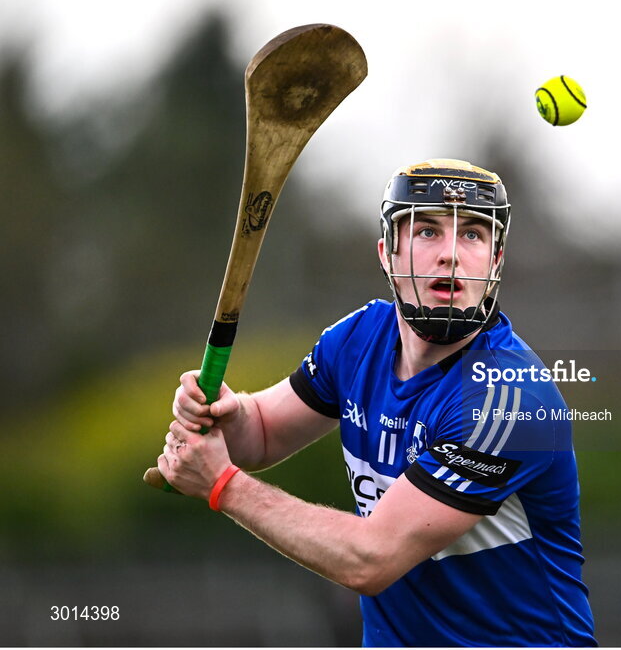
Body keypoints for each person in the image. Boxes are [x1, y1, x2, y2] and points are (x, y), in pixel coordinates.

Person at [157, 158, 596, 647]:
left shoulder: (508, 400)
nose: (450, 254)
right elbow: (259, 432)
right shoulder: (360, 339)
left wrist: (223, 484)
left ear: (495, 261)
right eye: (428, 231)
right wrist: (226, 412)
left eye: (473, 234)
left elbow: (370, 559)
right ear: (388, 254)